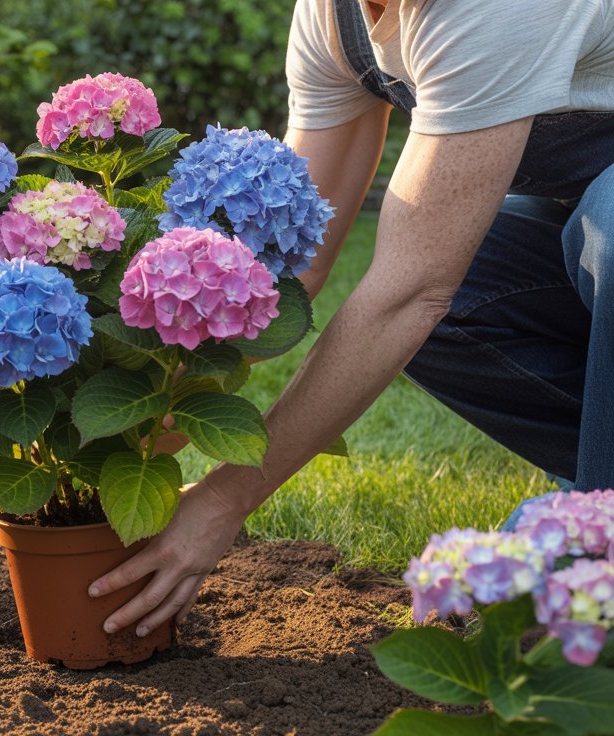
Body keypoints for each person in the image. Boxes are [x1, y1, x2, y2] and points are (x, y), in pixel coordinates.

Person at [90, 0, 614, 640]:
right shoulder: (334, 16)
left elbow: (410, 293)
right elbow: (288, 268)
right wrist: (152, 421)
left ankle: (595, 553)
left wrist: (224, 499)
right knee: (461, 291)